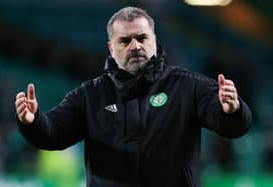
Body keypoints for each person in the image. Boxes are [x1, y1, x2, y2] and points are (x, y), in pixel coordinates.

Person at [15, 6, 252, 187]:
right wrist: (32, 121)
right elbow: (53, 133)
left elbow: (232, 128)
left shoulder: (188, 85)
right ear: (111, 48)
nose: (135, 46)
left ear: (154, 41)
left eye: (142, 38)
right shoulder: (89, 95)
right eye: (125, 41)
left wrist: (232, 111)